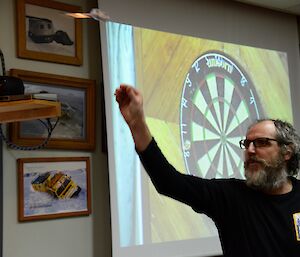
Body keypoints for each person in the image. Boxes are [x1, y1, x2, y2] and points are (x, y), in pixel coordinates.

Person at [115, 84, 300, 257]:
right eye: (247, 143)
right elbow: (168, 181)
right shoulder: (230, 197)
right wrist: (137, 124)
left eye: (261, 143)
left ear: (287, 152)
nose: (250, 150)